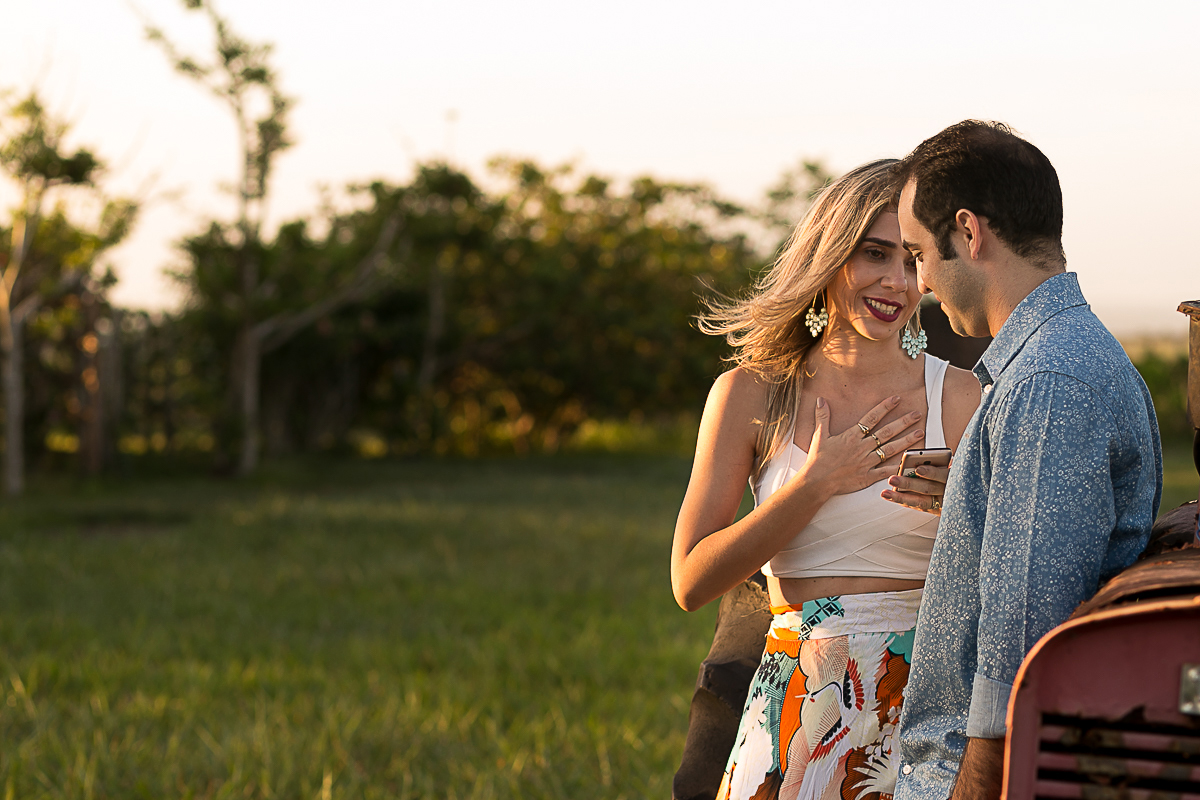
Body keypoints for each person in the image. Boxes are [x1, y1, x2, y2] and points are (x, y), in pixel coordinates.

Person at [671, 158, 981, 799]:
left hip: (921, 708)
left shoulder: (960, 397)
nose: (898, 282)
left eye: (912, 259)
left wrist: (969, 509)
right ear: (830, 254)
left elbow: (1005, 575)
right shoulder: (751, 394)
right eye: (875, 254)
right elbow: (691, 580)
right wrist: (814, 485)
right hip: (796, 702)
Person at [883, 121, 1163, 800]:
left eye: (919, 254)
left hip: (982, 777)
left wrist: (975, 788)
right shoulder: (1054, 362)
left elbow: (1022, 636)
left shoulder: (1048, 382)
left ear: (969, 233)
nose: (919, 283)